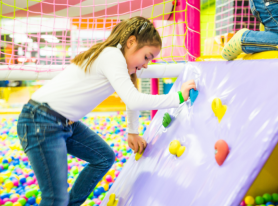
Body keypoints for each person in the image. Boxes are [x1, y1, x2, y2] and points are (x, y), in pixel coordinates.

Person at [16, 16, 196, 206]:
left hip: (62, 123)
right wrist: (177, 97)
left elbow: (130, 94)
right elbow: (133, 99)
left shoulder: (117, 60)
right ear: (131, 42)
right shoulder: (111, 55)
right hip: (41, 121)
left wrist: (133, 131)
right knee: (55, 197)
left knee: (103, 157)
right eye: (146, 57)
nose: (145, 65)